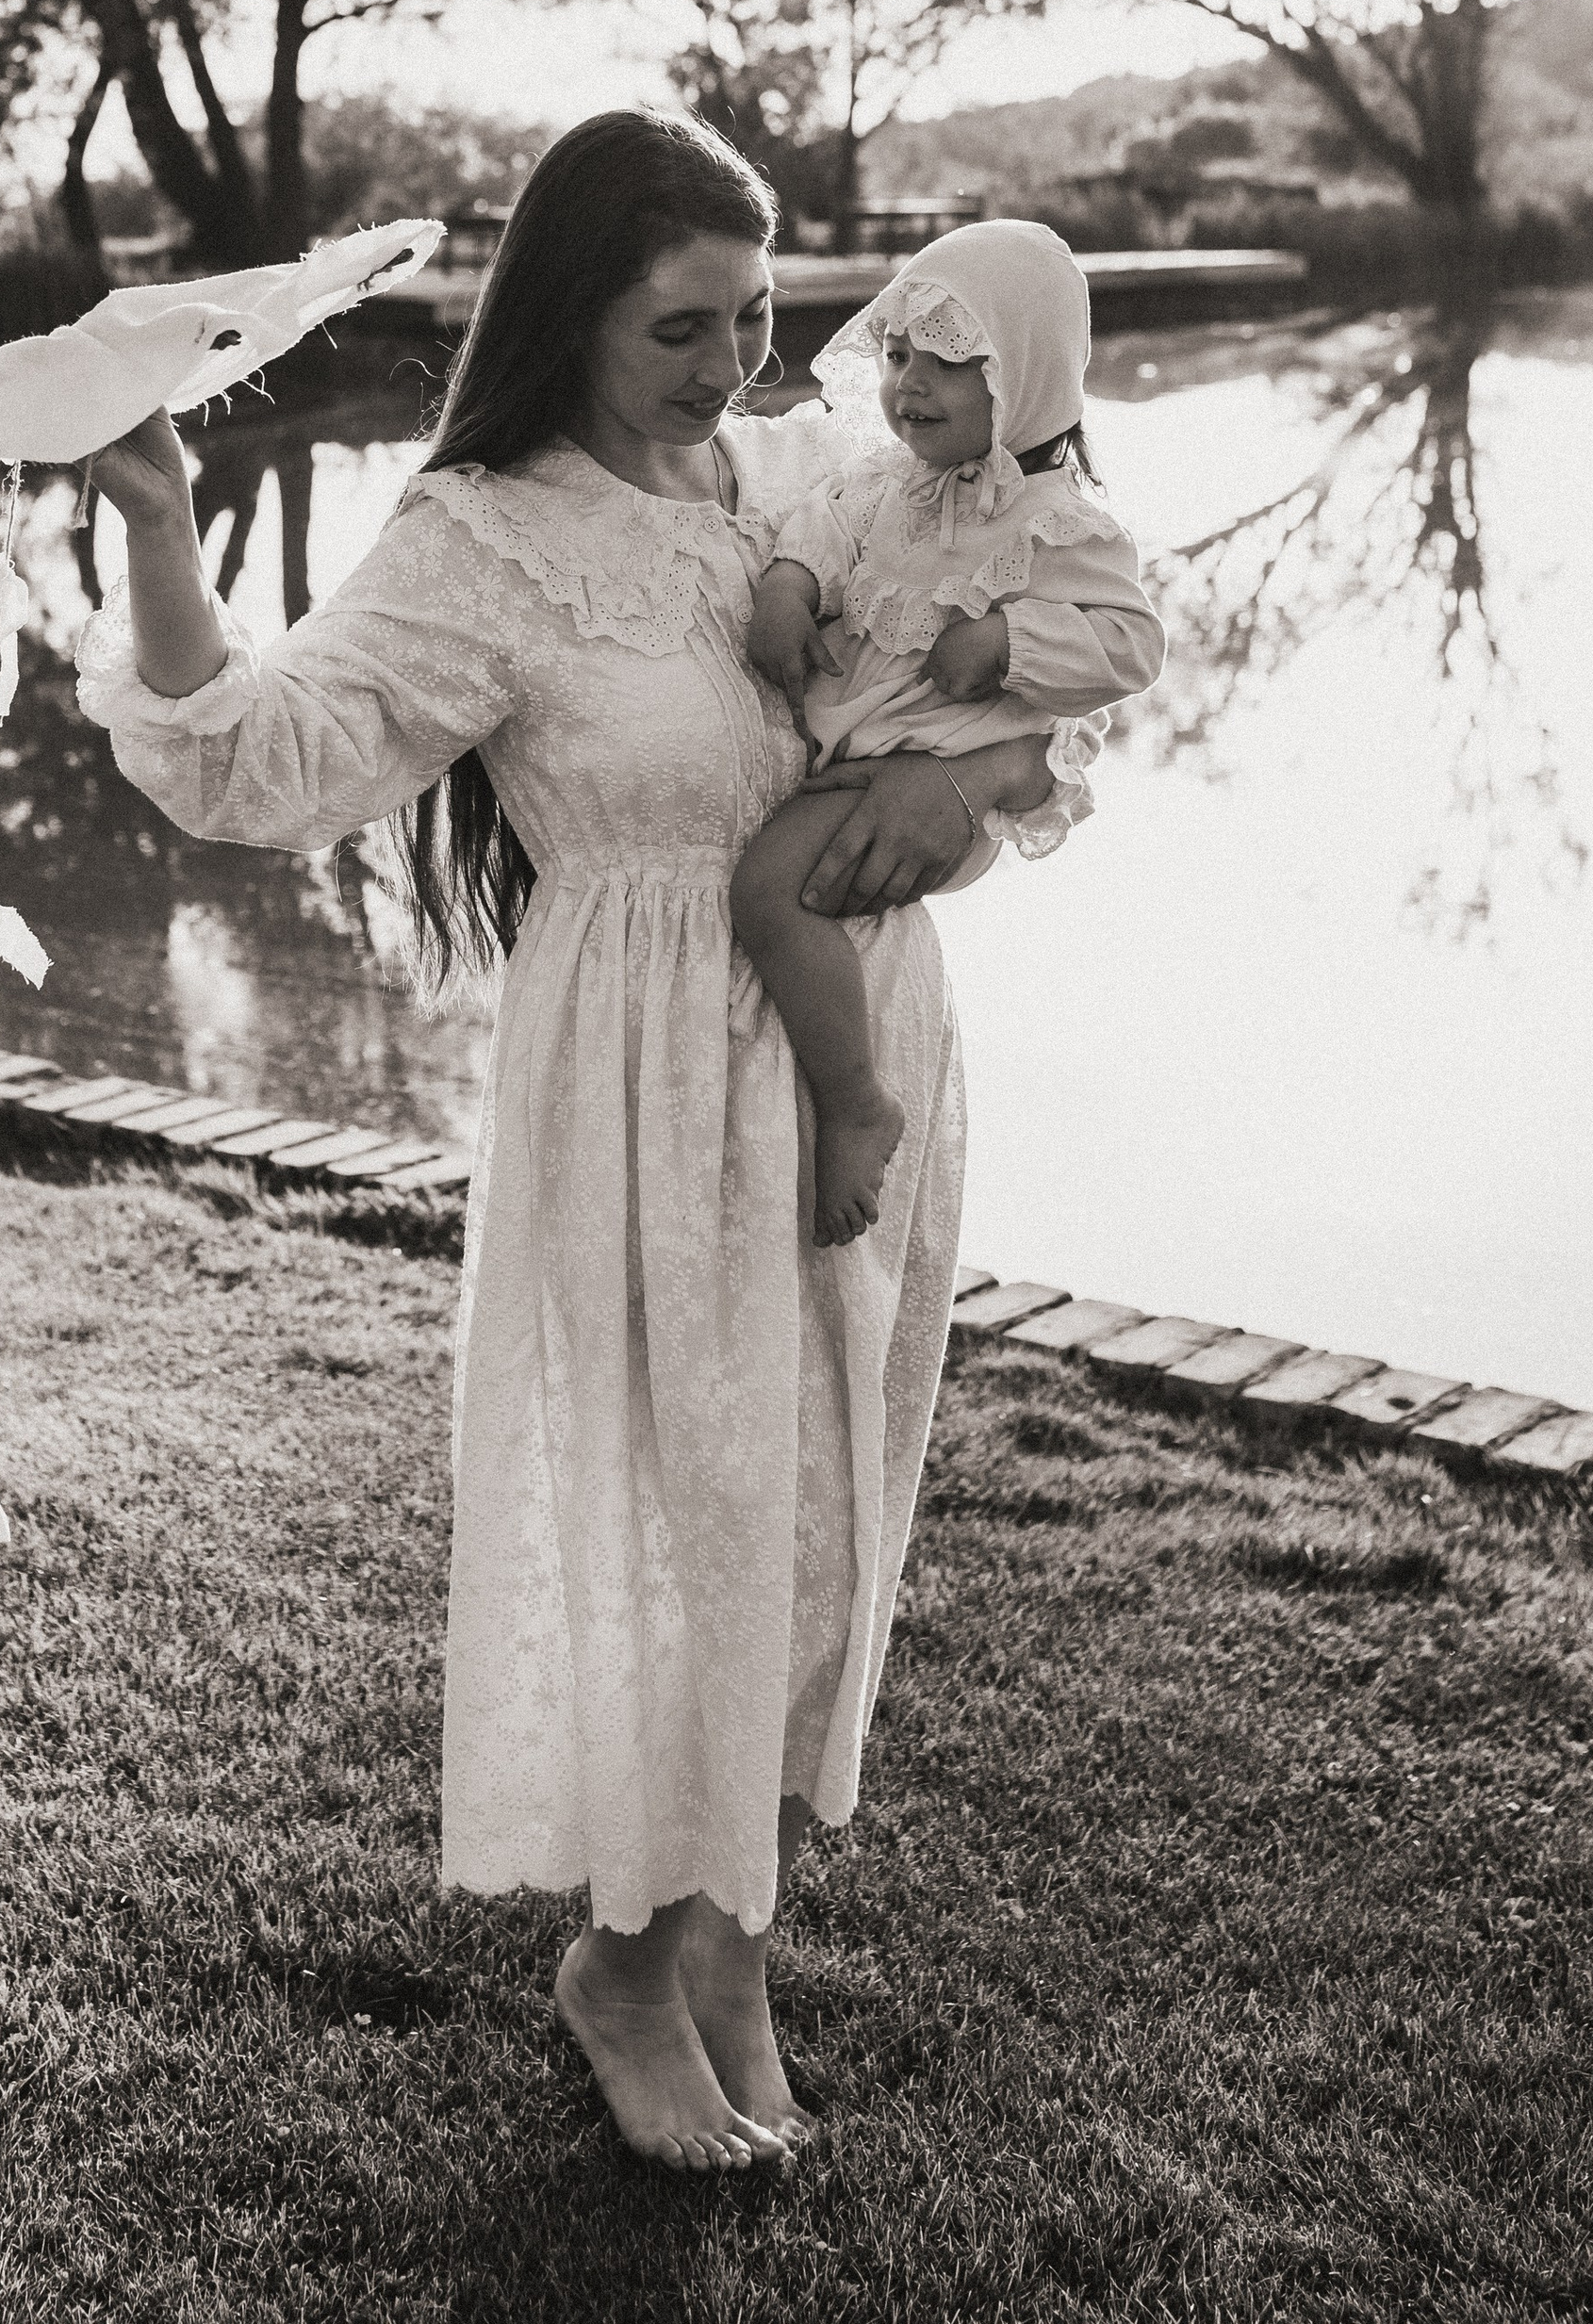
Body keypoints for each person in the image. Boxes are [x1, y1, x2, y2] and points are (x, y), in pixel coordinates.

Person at [76, 113, 1112, 2177]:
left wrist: (997, 760)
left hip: (859, 1044)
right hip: (644, 1089)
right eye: (678, 325)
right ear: (568, 313)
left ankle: (731, 1942)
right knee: (697, 1535)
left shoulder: (809, 474)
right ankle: (621, 1974)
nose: (730, 362)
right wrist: (169, 543)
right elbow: (260, 764)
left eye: (755, 316)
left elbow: (1026, 671)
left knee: (823, 1520)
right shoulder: (487, 533)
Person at [731, 221, 1165, 1247]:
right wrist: (790, 586)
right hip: (870, 759)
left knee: (764, 889)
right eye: (896, 355)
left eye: (948, 363)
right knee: (790, 889)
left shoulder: (1059, 521)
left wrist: (1010, 642)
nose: (909, 385)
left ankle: (856, 1105)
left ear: (1023, 374)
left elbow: (1133, 646)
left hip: (936, 775)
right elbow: (820, 533)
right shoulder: (886, 484)